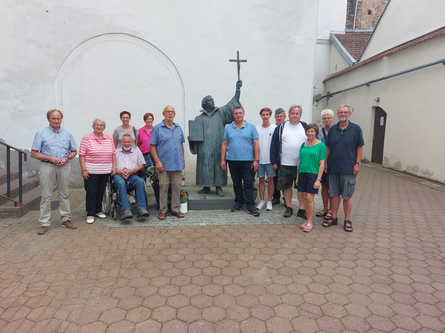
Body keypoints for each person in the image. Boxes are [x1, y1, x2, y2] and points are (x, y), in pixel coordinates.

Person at [189, 80, 243, 197]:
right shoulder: (199, 118)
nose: (212, 101)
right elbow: (195, 135)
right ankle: (206, 186)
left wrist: (237, 90)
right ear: (204, 104)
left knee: (219, 164)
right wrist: (192, 139)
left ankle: (219, 186)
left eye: (212, 100)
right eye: (209, 101)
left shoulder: (221, 113)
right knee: (205, 165)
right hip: (204, 148)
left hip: (219, 145)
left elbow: (232, 104)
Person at [31, 109, 78, 235]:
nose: (56, 121)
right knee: (46, 195)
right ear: (48, 119)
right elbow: (33, 153)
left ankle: (66, 219)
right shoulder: (41, 133)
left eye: (58, 118)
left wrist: (67, 158)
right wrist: (50, 157)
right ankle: (44, 223)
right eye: (53, 118)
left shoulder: (67, 133)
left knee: (64, 193)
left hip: (64, 166)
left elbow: (74, 151)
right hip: (47, 166)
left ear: (61, 119)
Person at [324, 105, 364, 232]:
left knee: (347, 195)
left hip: (348, 168)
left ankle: (347, 220)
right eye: (340, 112)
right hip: (333, 167)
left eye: (345, 112)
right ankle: (334, 217)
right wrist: (325, 162)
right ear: (337, 114)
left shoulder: (356, 129)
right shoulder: (333, 129)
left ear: (349, 114)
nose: (343, 114)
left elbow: (359, 147)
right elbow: (328, 147)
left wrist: (357, 163)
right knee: (334, 194)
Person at [221, 106, 260, 217]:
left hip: (247, 161)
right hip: (232, 160)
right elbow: (224, 144)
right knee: (236, 183)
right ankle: (238, 202)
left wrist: (256, 160)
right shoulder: (229, 128)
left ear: (243, 114)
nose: (238, 115)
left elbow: (256, 144)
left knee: (248, 183)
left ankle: (250, 205)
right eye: (236, 113)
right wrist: (222, 159)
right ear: (233, 115)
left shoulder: (251, 127)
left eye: (240, 113)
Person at [270, 105, 307, 218]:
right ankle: (289, 207)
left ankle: (302, 209)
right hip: (285, 163)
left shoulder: (305, 126)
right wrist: (274, 161)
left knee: (301, 187)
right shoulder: (281, 127)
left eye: (297, 113)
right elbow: (274, 145)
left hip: (302, 164)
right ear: (289, 114)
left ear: (300, 115)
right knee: (286, 186)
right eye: (292, 113)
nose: (295, 115)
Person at [79, 117, 117, 224]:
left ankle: (98, 210)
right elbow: (81, 155)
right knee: (91, 192)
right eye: (97, 125)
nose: (99, 127)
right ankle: (90, 213)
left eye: (101, 125)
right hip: (91, 171)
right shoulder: (86, 138)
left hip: (105, 171)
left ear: (104, 127)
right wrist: (83, 170)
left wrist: (114, 167)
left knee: (101, 191)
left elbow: (114, 153)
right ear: (93, 126)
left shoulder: (108, 138)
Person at [150, 105, 185, 220]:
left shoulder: (178, 128)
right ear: (163, 114)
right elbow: (152, 147)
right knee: (163, 187)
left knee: (176, 186)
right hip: (163, 164)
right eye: (168, 112)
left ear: (174, 114)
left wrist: (183, 159)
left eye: (172, 112)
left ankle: (175, 209)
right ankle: (163, 210)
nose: (170, 113)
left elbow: (181, 145)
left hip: (177, 163)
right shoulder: (157, 128)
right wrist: (157, 161)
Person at [296, 123, 326, 232]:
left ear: (316, 132)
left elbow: (322, 163)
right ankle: (307, 220)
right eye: (308, 131)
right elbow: (300, 161)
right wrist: (298, 176)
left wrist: (318, 179)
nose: (310, 133)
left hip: (313, 174)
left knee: (309, 197)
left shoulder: (321, 145)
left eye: (312, 131)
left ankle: (310, 221)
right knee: (304, 197)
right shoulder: (303, 145)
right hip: (302, 173)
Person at [113, 134, 150, 220]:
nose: (127, 143)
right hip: (118, 175)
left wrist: (132, 170)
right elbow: (111, 166)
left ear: (132, 142)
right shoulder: (115, 152)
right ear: (121, 142)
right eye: (124, 142)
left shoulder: (137, 152)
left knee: (140, 181)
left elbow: (142, 165)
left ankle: (141, 208)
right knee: (121, 182)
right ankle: (126, 210)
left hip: (132, 175)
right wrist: (118, 172)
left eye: (128, 141)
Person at [256, 107, 276, 211]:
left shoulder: (274, 128)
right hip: (260, 159)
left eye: (267, 114)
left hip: (270, 160)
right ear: (261, 116)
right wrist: (256, 159)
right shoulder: (257, 129)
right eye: (263, 114)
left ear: (270, 115)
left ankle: (269, 201)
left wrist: (275, 160)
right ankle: (262, 200)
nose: (265, 116)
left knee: (271, 180)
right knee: (261, 180)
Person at [316, 109, 334, 221]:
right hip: (322, 162)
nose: (326, 120)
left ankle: (332, 209)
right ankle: (325, 208)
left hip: (333, 162)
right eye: (324, 118)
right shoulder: (319, 132)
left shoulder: (336, 130)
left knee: (332, 187)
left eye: (328, 118)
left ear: (332, 119)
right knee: (324, 186)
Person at [272, 108, 286, 205]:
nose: (279, 118)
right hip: (276, 158)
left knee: (285, 180)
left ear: (285, 117)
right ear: (275, 118)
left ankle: (286, 198)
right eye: (277, 116)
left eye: (281, 116)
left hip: (286, 159)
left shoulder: (288, 128)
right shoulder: (273, 128)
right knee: (275, 179)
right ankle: (276, 197)